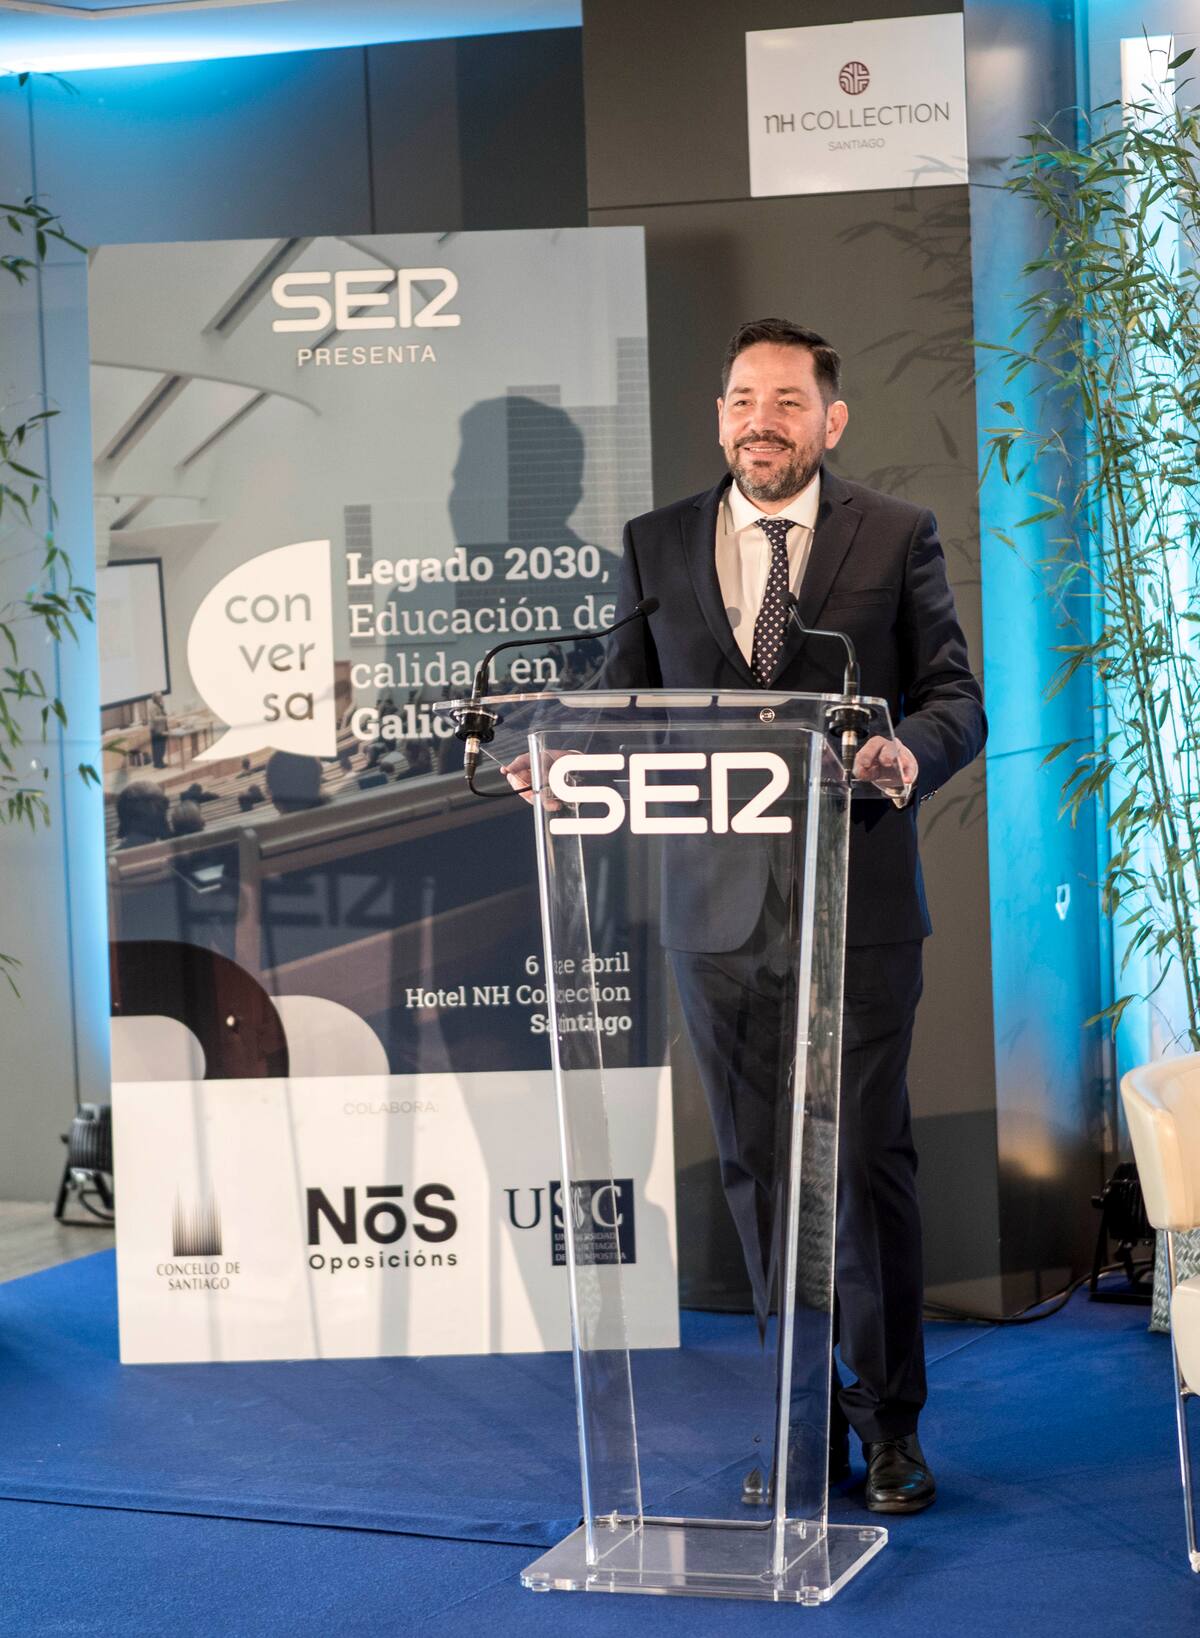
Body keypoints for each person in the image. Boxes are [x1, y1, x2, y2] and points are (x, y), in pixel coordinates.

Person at [503, 318, 986, 1515]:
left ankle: (890, 1427)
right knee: (760, 1173)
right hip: (713, 915)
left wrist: (905, 752)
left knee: (861, 1165)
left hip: (857, 904)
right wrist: (557, 755)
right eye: (740, 400)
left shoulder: (894, 533)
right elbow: (621, 702)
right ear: (719, 414)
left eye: (785, 401)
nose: (759, 421)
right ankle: (800, 1417)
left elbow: (954, 697)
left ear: (831, 419)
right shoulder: (657, 542)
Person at [146, 692, 169, 770]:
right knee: (157, 748)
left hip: (162, 729)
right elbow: (154, 718)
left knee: (162, 747)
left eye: (161, 696)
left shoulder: (160, 705)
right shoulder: (152, 707)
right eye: (159, 697)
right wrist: (164, 717)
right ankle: (157, 763)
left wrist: (164, 709)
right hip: (156, 730)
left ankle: (161, 762)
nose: (161, 698)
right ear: (155, 698)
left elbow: (164, 714)